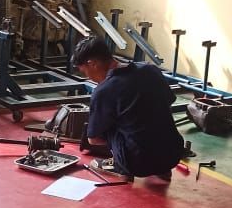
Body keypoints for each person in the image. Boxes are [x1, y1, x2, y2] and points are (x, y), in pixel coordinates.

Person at [71, 35, 185, 181]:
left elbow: (94, 140)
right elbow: (168, 101)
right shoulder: (150, 70)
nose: (88, 77)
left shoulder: (104, 90)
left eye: (85, 72)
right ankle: (162, 169)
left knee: (108, 125)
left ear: (92, 63)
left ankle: (119, 165)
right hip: (173, 155)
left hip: (137, 164)